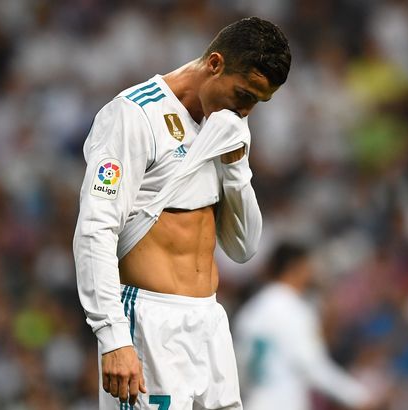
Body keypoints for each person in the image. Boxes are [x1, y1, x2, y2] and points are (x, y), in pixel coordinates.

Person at [73, 17, 291, 409]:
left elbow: (243, 247)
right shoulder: (134, 115)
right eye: (244, 94)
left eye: (258, 102)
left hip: (208, 322)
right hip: (149, 322)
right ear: (215, 64)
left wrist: (236, 169)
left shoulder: (226, 124)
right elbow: (95, 228)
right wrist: (113, 337)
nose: (245, 110)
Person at [233, 243, 376, 410]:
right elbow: (313, 366)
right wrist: (357, 396)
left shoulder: (251, 310)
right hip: (283, 403)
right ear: (296, 268)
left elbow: (239, 363)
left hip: (252, 402)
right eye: (307, 267)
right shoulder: (295, 311)